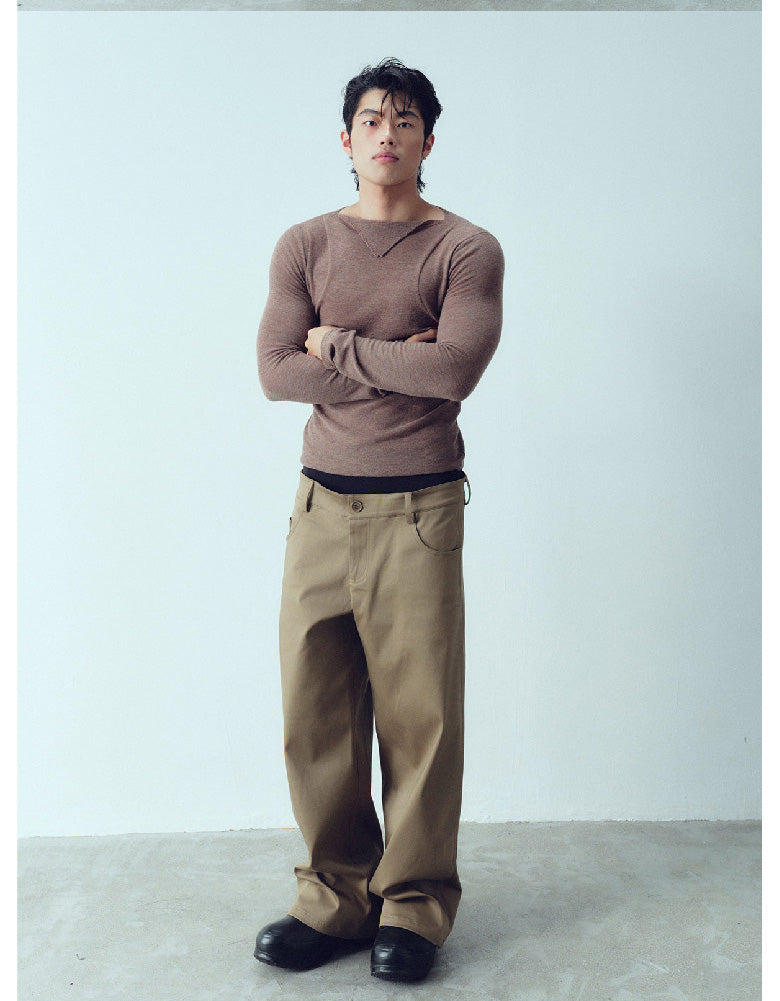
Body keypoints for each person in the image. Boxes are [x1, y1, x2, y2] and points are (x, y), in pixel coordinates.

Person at [253, 56, 504, 984]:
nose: (386, 133)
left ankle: (415, 904)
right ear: (346, 139)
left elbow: (453, 370)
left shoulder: (466, 249)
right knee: (313, 711)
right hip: (320, 506)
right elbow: (275, 371)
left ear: (428, 140)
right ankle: (335, 895)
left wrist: (337, 345)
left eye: (404, 120)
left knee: (419, 717)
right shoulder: (305, 243)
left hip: (420, 511)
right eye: (370, 119)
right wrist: (395, 357)